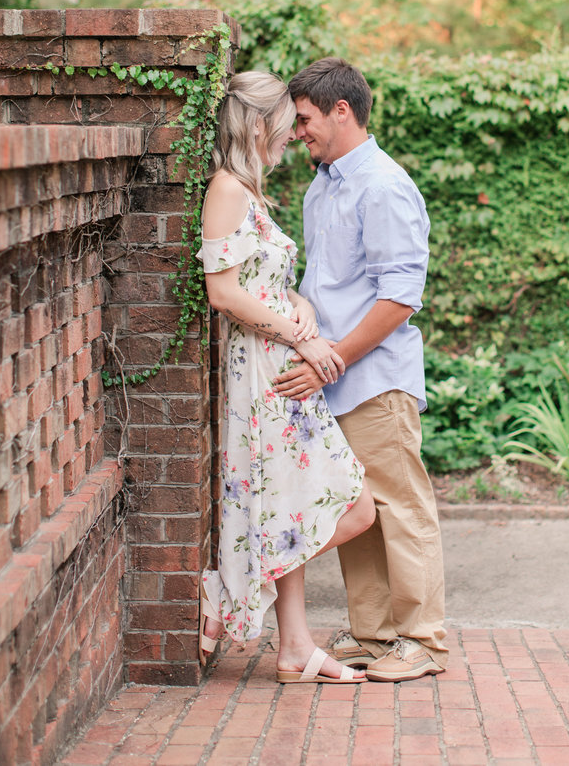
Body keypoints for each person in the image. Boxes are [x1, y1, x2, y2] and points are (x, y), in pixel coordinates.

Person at [272, 57, 448, 682]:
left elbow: (400, 297)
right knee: (360, 506)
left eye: (304, 120)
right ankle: (375, 635)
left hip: (375, 377)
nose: (298, 134)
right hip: (336, 377)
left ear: (340, 111)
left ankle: (423, 642)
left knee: (401, 507)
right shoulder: (323, 185)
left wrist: (337, 358)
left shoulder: (383, 185)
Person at [197, 71, 375, 684]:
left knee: (291, 505)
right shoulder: (226, 189)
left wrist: (300, 306)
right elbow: (222, 293)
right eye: (285, 125)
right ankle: (229, 592)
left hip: (278, 361)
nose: (293, 137)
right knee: (353, 506)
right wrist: (303, 333)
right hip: (261, 373)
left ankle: (294, 646)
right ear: (255, 124)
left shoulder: (251, 193)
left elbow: (263, 285)